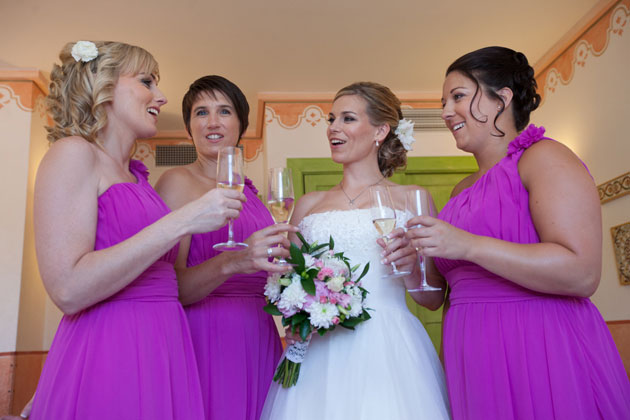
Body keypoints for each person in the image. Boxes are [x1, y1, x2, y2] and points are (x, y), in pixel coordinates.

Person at [406, 46, 630, 419]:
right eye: (444, 102)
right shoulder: (461, 191)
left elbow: (582, 273)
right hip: (472, 355)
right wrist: (408, 265)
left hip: (538, 345)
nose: (446, 112)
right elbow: (435, 297)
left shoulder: (544, 157)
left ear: (502, 99)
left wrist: (469, 245)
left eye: (458, 96)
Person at [29, 41, 246, 419]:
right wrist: (183, 220)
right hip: (112, 346)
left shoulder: (139, 177)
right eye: (147, 81)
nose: (161, 97)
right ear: (104, 86)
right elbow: (67, 289)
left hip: (165, 344)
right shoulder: (73, 153)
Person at [260, 82, 451, 419]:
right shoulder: (308, 204)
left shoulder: (412, 199)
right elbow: (291, 284)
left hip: (389, 348)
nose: (333, 128)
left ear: (380, 130)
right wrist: (294, 299)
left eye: (347, 119)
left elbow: (434, 298)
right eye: (332, 119)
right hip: (320, 349)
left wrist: (410, 270)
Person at [154, 75, 294, 420]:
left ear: (241, 124)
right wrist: (234, 262)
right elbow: (172, 288)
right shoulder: (178, 182)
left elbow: (265, 274)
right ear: (189, 128)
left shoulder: (255, 195)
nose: (213, 122)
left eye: (224, 111)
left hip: (259, 335)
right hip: (206, 334)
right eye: (201, 112)